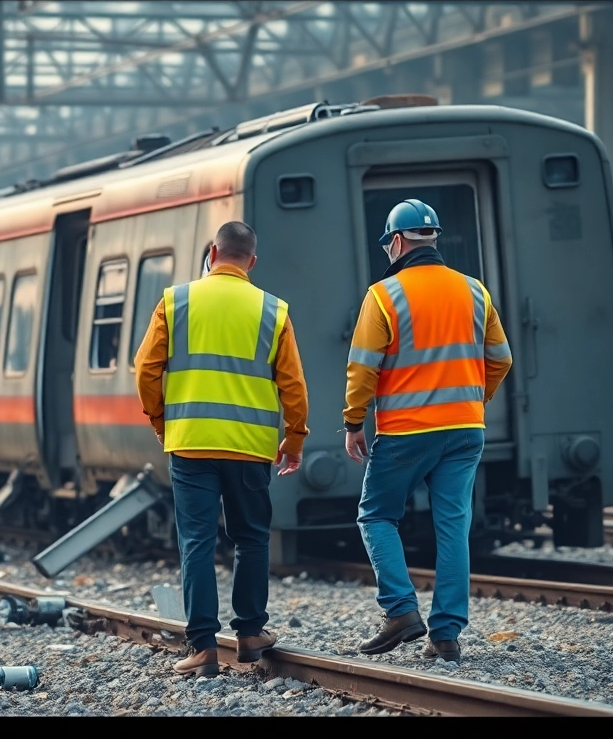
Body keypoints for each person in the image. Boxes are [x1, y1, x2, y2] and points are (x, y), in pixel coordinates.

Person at [134, 220, 309, 677]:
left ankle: (202, 648)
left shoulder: (176, 301)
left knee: (196, 542)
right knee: (250, 539)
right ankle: (250, 634)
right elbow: (292, 384)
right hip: (250, 447)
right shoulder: (273, 309)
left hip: (191, 442)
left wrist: (160, 420)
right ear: (251, 261)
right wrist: (294, 438)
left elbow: (146, 369)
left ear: (213, 253)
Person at [342, 199, 511, 663]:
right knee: (453, 526)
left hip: (406, 431)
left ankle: (400, 610)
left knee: (375, 515)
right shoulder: (476, 291)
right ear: (432, 239)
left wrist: (354, 422)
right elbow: (501, 358)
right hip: (465, 429)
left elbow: (362, 369)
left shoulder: (384, 295)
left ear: (397, 242)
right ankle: (446, 634)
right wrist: (475, 400)